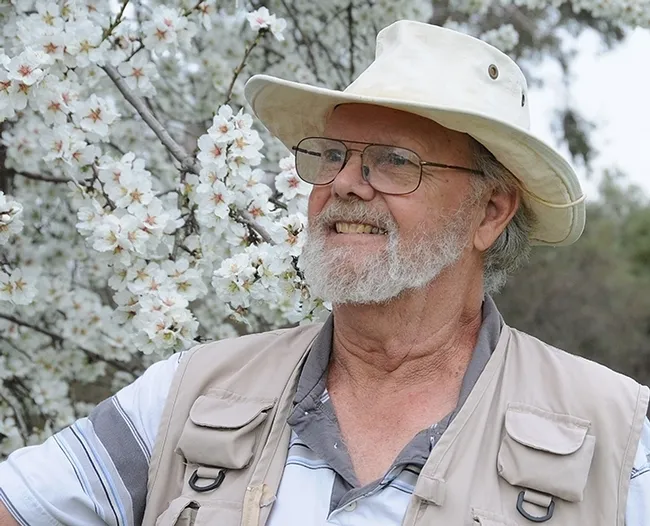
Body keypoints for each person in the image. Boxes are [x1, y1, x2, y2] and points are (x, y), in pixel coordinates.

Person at [0, 20, 648, 526]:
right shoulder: (189, 394)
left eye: (394, 162)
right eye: (332, 154)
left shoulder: (619, 439)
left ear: (491, 211)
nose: (343, 184)